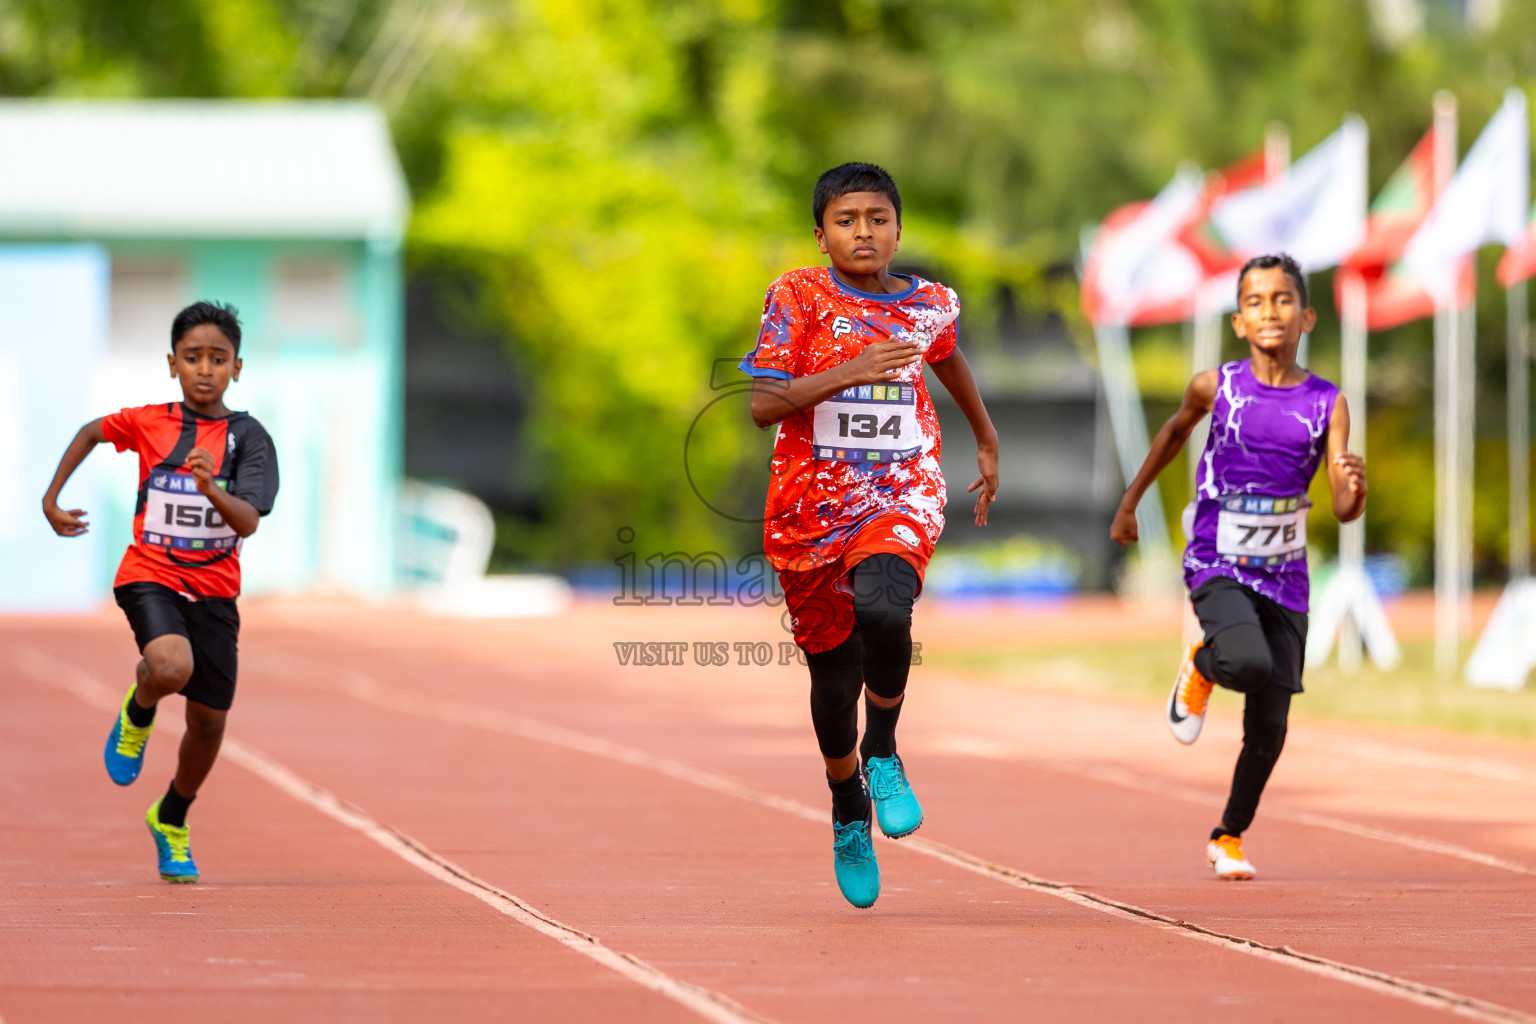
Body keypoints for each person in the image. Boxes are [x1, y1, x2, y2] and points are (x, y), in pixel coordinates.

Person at [741, 162, 999, 907]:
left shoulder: (928, 304)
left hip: (900, 488)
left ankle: (882, 748)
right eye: (847, 220)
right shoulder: (797, 296)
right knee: (833, 679)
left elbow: (948, 359)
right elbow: (763, 405)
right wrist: (852, 370)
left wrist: (984, 437)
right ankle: (848, 800)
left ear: (898, 228)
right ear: (821, 234)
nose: (864, 232)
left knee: (888, 607)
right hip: (810, 508)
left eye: (878, 218)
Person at [1111, 253, 1366, 880]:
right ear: (1238, 322)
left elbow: (1342, 504)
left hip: (1286, 573)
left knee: (1270, 725)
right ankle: (1201, 665)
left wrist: (1354, 492)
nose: (1270, 311)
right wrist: (1130, 501)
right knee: (1245, 664)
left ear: (1306, 316)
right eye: (1256, 302)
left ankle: (1228, 835)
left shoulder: (1327, 402)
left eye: (1283, 300)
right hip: (1217, 558)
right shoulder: (1216, 386)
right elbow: (1173, 435)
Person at [41, 301, 279, 884]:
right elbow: (92, 432)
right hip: (150, 573)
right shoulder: (151, 421)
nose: (205, 369)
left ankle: (171, 816)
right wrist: (51, 498)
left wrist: (210, 488)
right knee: (171, 666)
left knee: (208, 726)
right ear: (172, 364)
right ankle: (139, 708)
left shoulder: (248, 438)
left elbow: (247, 520)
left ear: (237, 368)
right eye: (192, 357)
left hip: (215, 592)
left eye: (217, 359)